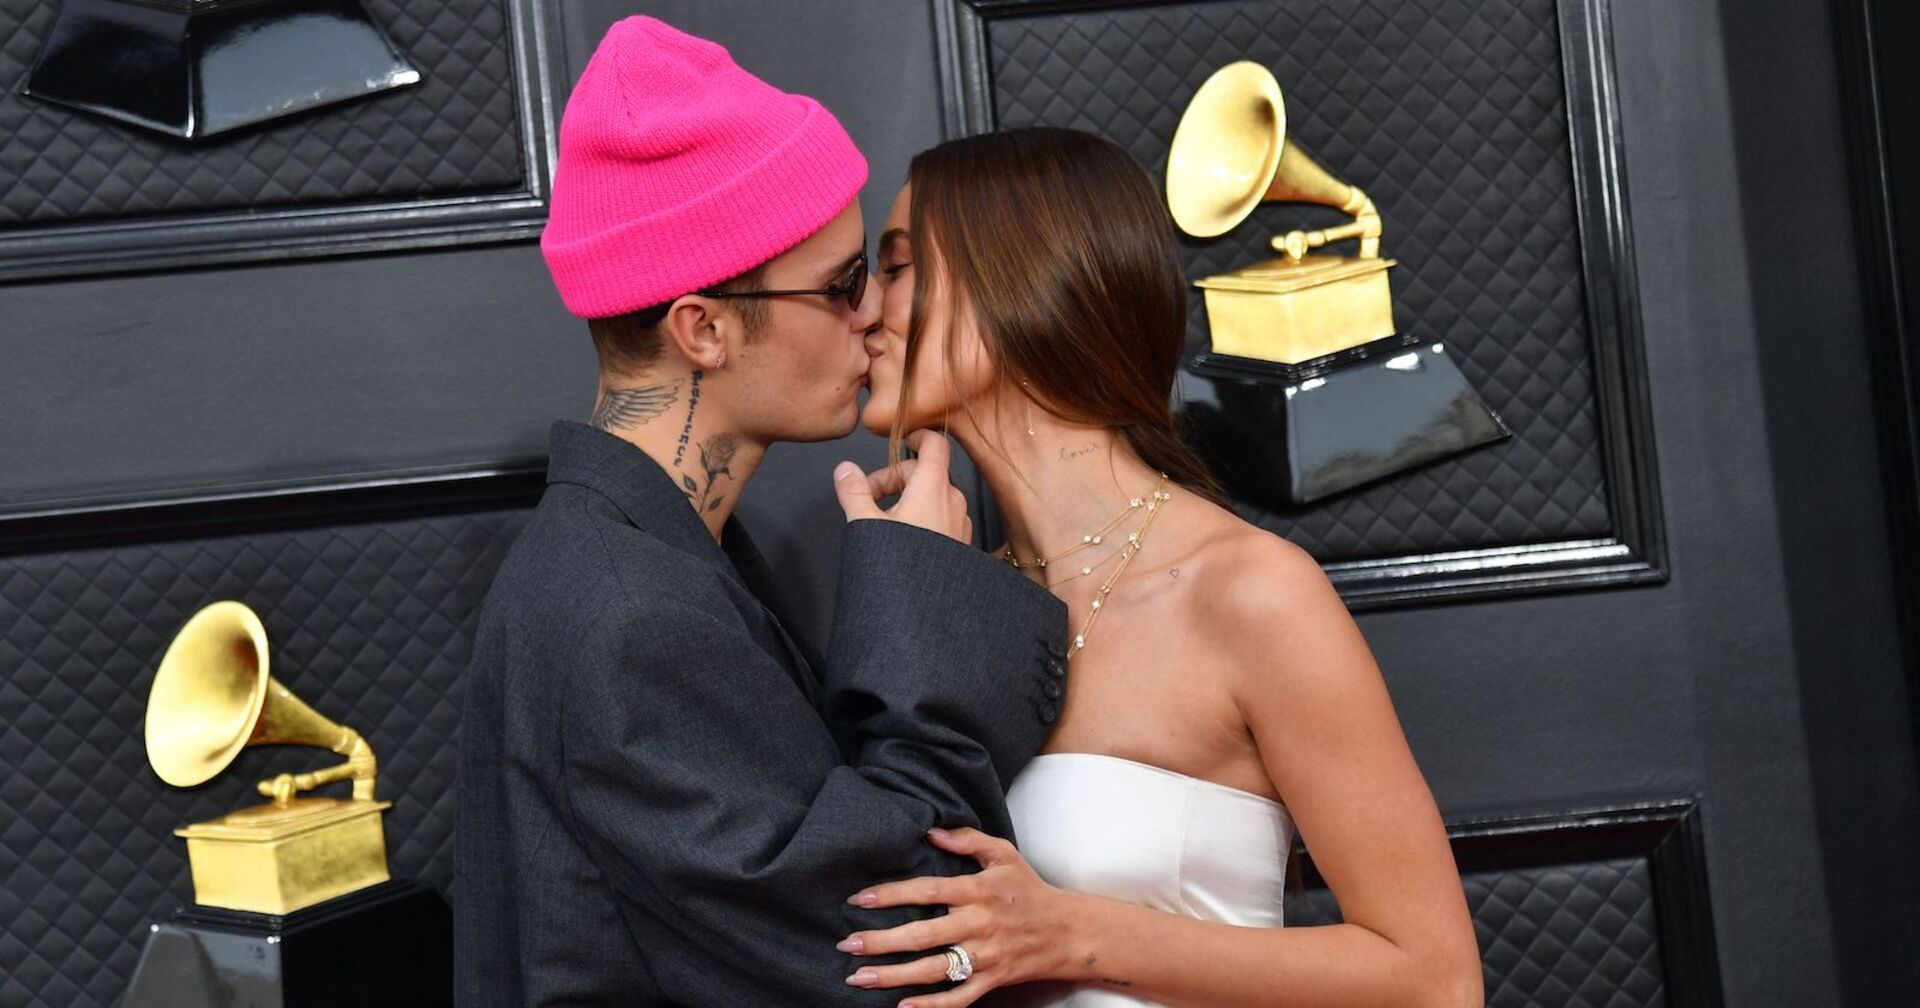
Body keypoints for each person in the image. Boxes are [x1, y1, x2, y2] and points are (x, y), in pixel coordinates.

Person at [454, 20, 1067, 1006]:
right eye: (842, 284)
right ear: (704, 328)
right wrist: (925, 598)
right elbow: (907, 936)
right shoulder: (629, 617)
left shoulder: (644, 563)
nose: (873, 314)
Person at [839, 127, 1483, 1008]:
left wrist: (1073, 933)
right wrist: (911, 591)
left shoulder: (1249, 592)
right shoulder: (963, 599)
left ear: (1018, 280)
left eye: (899, 268)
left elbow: (1436, 980)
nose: (865, 311)